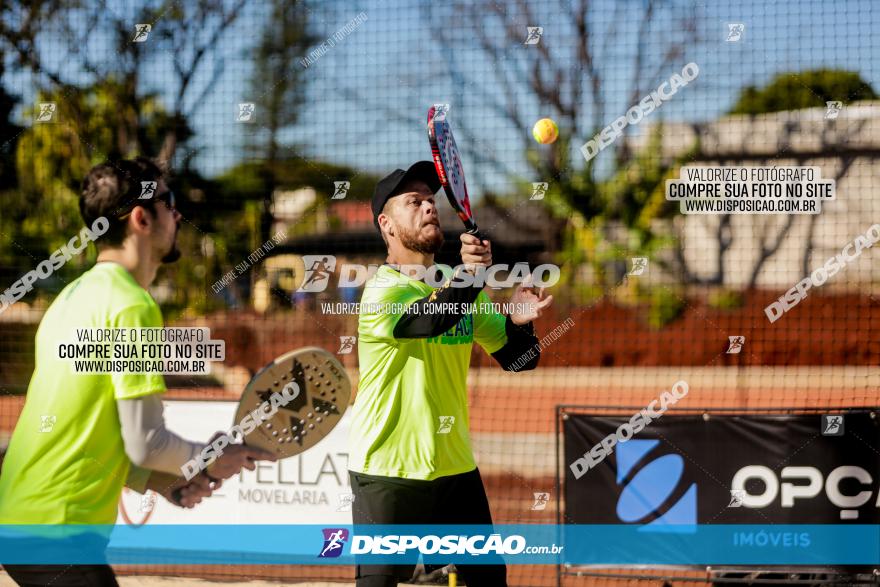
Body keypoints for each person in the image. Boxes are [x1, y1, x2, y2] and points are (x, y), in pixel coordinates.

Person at [0, 158, 274, 587]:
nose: (179, 215)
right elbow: (146, 442)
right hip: (59, 533)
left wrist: (166, 483)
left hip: (19, 523)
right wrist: (210, 456)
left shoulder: (71, 299)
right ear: (142, 218)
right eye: (171, 202)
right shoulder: (131, 304)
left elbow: (89, 429)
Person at [349, 161, 553, 587]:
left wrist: (520, 322)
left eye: (431, 200)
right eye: (414, 201)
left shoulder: (455, 286)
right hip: (389, 472)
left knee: (488, 582)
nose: (428, 207)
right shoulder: (382, 289)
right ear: (386, 224)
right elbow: (430, 320)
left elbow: (519, 359)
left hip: (455, 469)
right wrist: (472, 276)